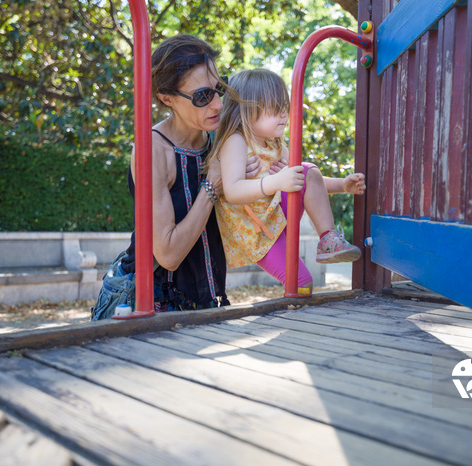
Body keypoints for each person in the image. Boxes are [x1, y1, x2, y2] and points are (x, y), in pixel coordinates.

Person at [92, 35, 267, 319]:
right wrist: (212, 187)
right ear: (167, 98)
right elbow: (169, 255)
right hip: (151, 301)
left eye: (218, 88)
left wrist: (252, 182)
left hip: (208, 298)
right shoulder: (152, 149)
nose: (218, 105)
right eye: (202, 96)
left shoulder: (220, 138)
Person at [208, 68, 366, 295]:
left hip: (275, 217)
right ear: (248, 109)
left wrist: (343, 185)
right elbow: (232, 191)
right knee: (301, 282)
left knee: (308, 170)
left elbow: (307, 180)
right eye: (275, 108)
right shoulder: (236, 140)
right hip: (257, 232)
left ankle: (328, 239)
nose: (284, 114)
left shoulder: (275, 143)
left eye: (285, 107)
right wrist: (277, 181)